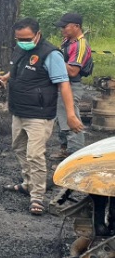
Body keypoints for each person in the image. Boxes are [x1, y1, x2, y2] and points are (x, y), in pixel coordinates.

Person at [0, 18, 83, 216]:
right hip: (18, 110)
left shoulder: (50, 54)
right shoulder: (19, 48)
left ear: (37, 34)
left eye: (26, 38)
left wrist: (70, 114)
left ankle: (37, 196)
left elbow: (64, 84)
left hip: (39, 114)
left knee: (35, 155)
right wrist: (5, 78)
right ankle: (27, 184)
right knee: (18, 148)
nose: (22, 41)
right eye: (18, 38)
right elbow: (16, 69)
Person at [50, 12, 92, 160]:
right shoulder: (67, 41)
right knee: (60, 117)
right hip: (62, 84)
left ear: (76, 26)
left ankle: (75, 153)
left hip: (72, 85)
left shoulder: (80, 45)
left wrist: (53, 58)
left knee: (71, 117)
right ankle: (65, 149)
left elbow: (73, 71)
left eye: (65, 26)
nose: (62, 30)